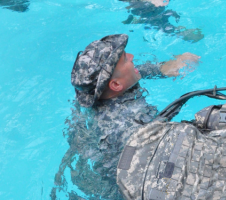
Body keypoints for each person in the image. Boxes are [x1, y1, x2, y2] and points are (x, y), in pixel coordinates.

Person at [51, 34, 200, 199]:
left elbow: (125, 76)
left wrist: (163, 68)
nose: (132, 57)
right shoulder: (128, 124)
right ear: (115, 85)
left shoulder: (92, 94)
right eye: (125, 59)